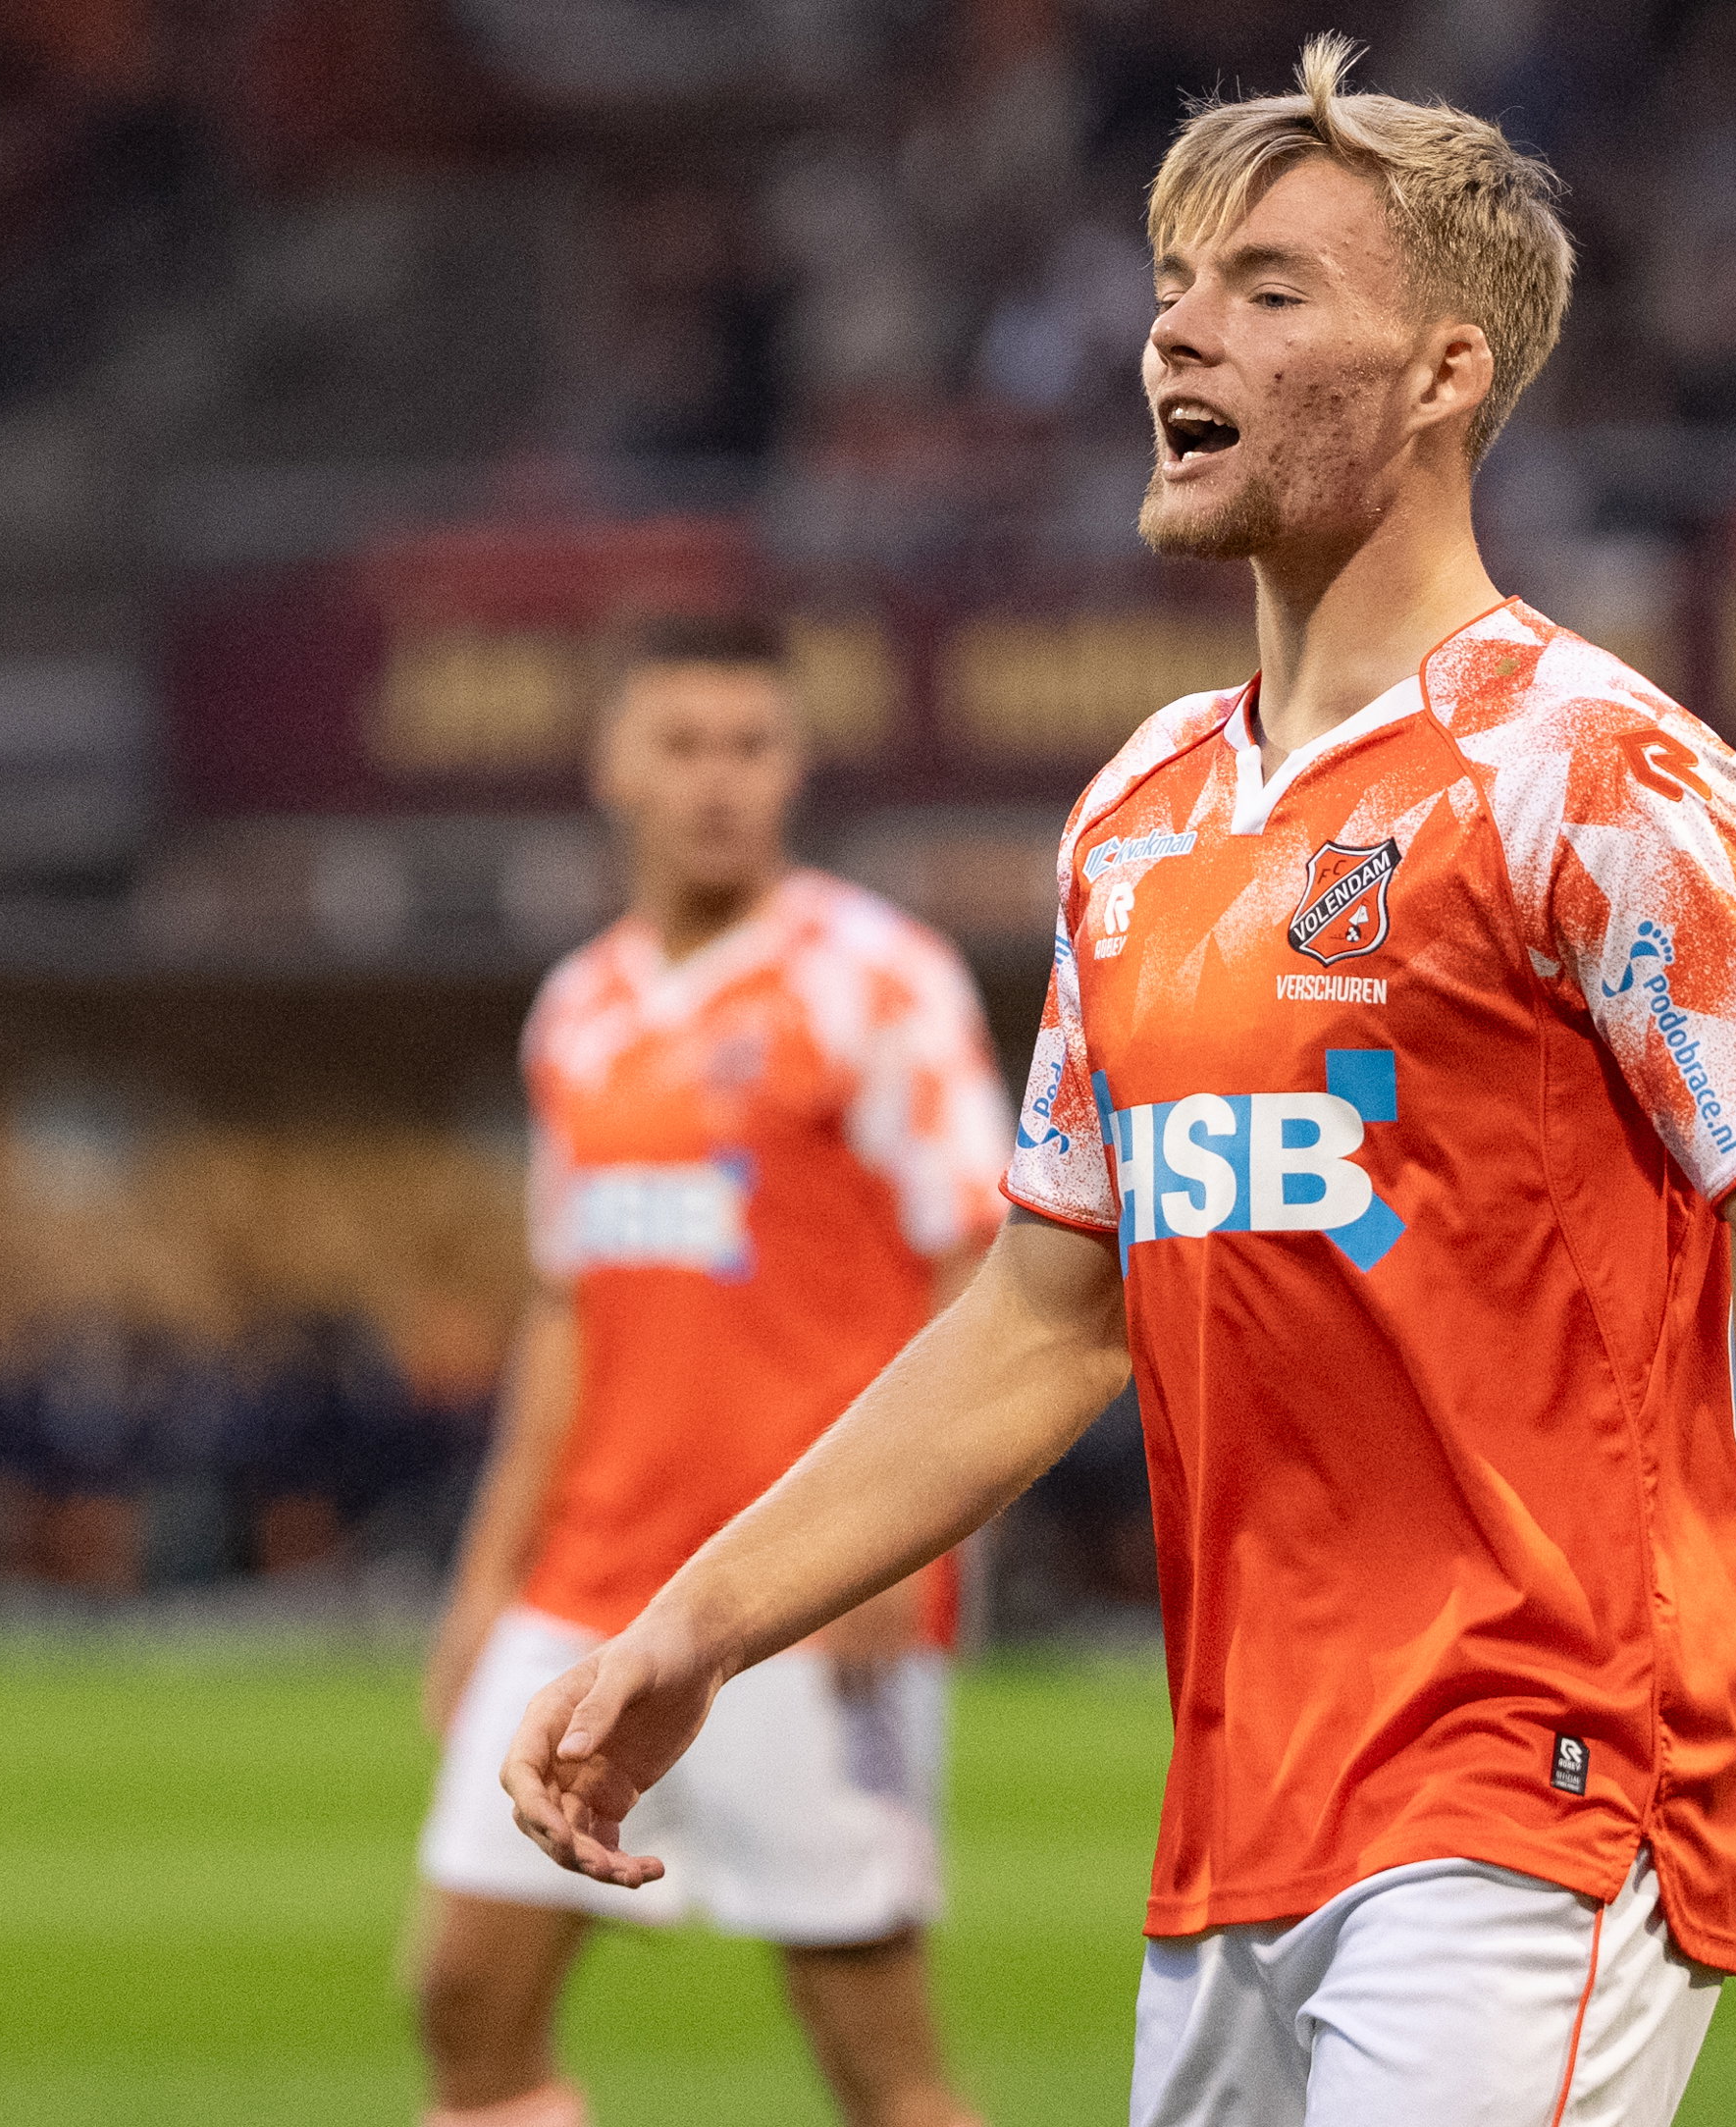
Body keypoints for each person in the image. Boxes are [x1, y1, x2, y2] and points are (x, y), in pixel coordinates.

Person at [506, 42, 1736, 2123]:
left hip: (1535, 1783)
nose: (1176, 330)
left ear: (1445, 370)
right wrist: (700, 1622)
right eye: (1171, 288)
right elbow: (1045, 1312)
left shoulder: (1590, 775)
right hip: (1234, 1826)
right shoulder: (1134, 816)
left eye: (1269, 288)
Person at [412, 613, 1009, 2127]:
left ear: (794, 765)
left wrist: (909, 1544)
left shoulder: (878, 981)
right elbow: (567, 1312)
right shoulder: (579, 1010)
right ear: (614, 762)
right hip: (588, 1582)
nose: (718, 780)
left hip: (801, 1590)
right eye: (682, 743)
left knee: (871, 2043)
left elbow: (985, 1272)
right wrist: (486, 1583)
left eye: (749, 744)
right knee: (463, 1994)